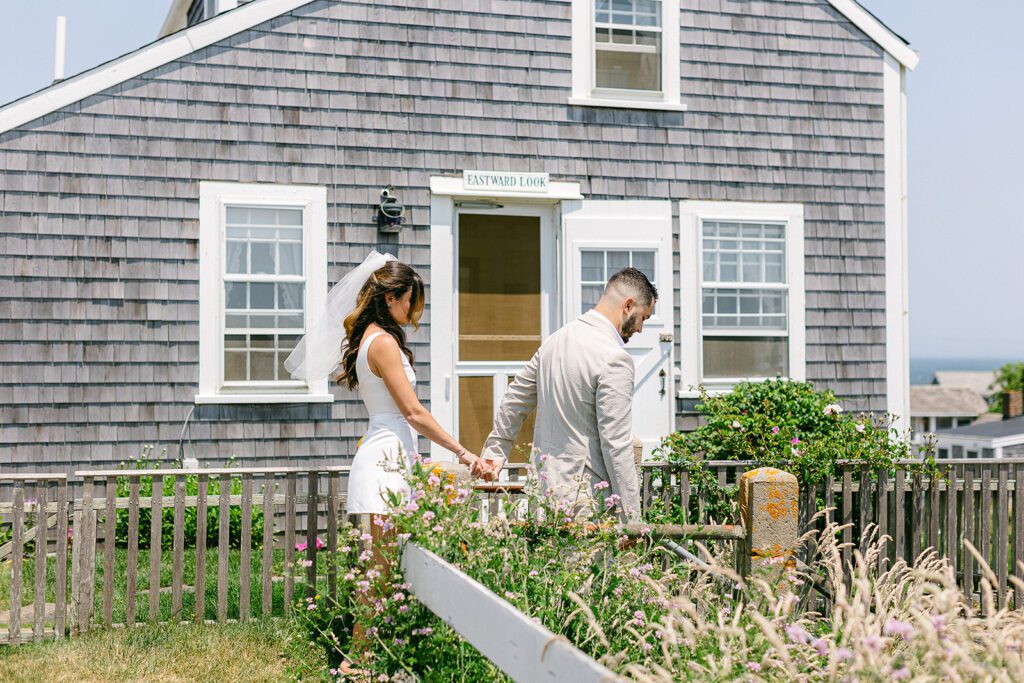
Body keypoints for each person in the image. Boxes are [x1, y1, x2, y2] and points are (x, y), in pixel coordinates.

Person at [480, 267, 657, 521]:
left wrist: (495, 451)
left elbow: (515, 399)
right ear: (628, 306)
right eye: (644, 318)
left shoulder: (555, 341)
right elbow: (616, 443)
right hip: (585, 502)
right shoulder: (614, 358)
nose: (640, 329)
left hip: (543, 493)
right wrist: (631, 519)